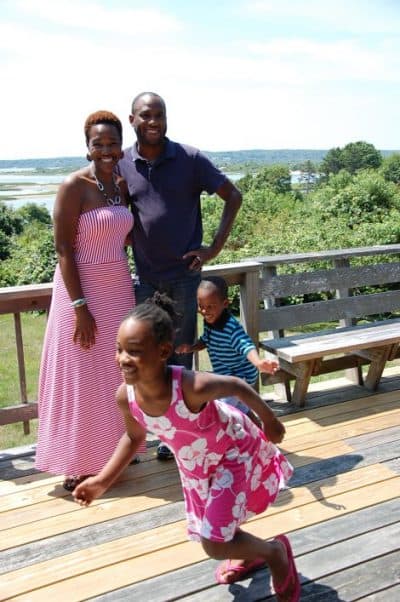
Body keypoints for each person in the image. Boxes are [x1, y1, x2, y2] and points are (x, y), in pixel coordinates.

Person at [73, 295, 300, 600]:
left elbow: (236, 385)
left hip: (232, 453)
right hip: (195, 465)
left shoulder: (190, 387)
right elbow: (133, 437)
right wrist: (102, 480)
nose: (124, 359)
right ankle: (250, 552)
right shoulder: (125, 397)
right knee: (222, 524)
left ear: (163, 351)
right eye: (119, 350)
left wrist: (270, 422)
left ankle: (274, 554)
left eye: (135, 352)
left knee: (214, 543)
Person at [117, 91, 242, 460]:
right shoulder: (123, 163)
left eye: (159, 115)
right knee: (146, 360)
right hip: (146, 280)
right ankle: (157, 431)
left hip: (185, 279)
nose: (153, 121)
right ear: (133, 120)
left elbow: (232, 196)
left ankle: (181, 435)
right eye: (145, 116)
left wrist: (214, 248)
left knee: (181, 358)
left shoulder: (189, 159)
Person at [35, 110, 144, 492]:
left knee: (114, 376)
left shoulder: (120, 186)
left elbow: (123, 234)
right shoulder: (73, 186)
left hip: (118, 288)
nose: (106, 149)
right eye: (98, 143)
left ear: (121, 146)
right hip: (80, 292)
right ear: (87, 147)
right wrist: (80, 308)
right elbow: (64, 250)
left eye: (113, 143)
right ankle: (77, 461)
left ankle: (112, 457)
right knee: (82, 375)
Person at [176, 276, 280, 420]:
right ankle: (258, 430)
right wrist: (191, 348)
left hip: (241, 376)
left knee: (223, 409)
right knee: (240, 408)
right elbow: (206, 340)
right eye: (201, 306)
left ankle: (232, 438)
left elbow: (246, 345)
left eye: (210, 306)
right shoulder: (210, 321)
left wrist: (258, 363)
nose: (205, 312)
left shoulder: (231, 328)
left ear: (224, 303)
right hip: (226, 375)